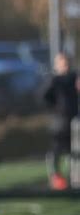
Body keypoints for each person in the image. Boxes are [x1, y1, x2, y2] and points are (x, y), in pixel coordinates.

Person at [43, 52, 79, 190]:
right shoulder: (54, 80)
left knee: (73, 152)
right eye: (62, 63)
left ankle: (73, 178)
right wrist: (56, 109)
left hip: (74, 122)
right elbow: (44, 96)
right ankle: (56, 178)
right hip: (59, 123)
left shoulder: (74, 78)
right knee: (57, 150)